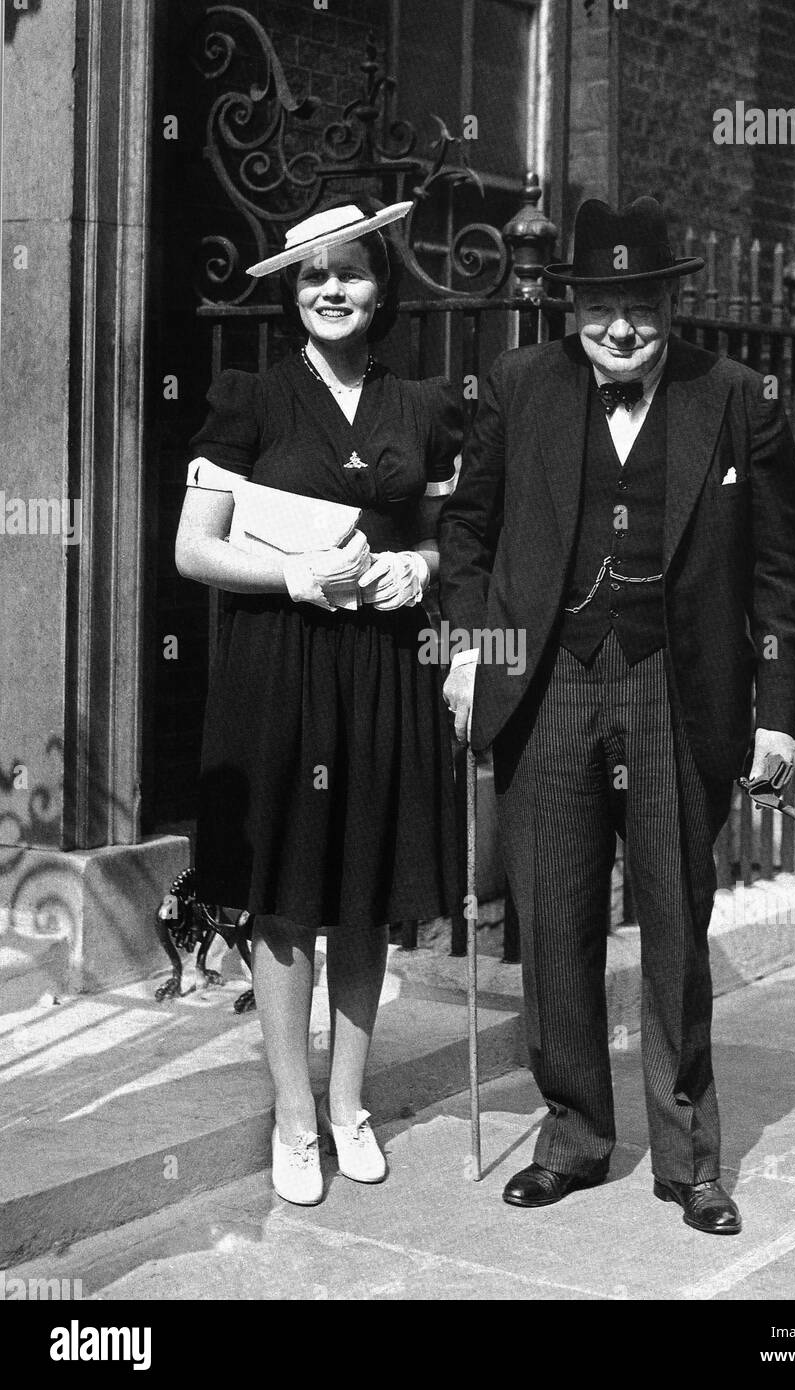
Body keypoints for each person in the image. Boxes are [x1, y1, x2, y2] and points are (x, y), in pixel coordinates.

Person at [439, 196, 795, 1234]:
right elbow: (466, 529)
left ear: (668, 303)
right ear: (575, 306)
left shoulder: (735, 398)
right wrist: (474, 646)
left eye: (639, 306)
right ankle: (573, 1136)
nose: (621, 328)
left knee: (677, 922)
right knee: (553, 913)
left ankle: (689, 1158)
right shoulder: (518, 385)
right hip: (547, 679)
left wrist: (775, 717)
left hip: (678, 691)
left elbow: (781, 569)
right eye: (601, 306)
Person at [175, 198, 461, 1206]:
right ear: (293, 294)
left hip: (379, 672)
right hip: (281, 670)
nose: (331, 289)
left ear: (382, 285)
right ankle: (295, 1118)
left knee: (362, 893)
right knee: (288, 893)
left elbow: (439, 536)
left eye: (349, 271)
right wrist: (297, 580)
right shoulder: (250, 398)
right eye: (310, 275)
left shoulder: (421, 405)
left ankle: (351, 1104)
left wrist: (419, 572)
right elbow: (194, 547)